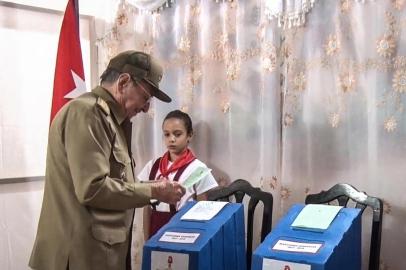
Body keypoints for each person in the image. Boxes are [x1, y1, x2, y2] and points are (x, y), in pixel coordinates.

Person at [29, 51, 186, 270]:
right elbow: (93, 188)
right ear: (123, 82)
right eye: (146, 97)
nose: (145, 108)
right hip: (79, 257)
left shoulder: (111, 121)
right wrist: (155, 192)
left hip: (97, 255)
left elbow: (115, 182)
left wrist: (155, 187)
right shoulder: (88, 113)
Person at [138, 110, 218, 239]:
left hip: (184, 231)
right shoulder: (152, 166)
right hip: (155, 228)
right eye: (167, 134)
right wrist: (146, 239)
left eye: (177, 134)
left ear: (190, 135)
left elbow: (202, 211)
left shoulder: (198, 169)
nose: (172, 139)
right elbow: (147, 208)